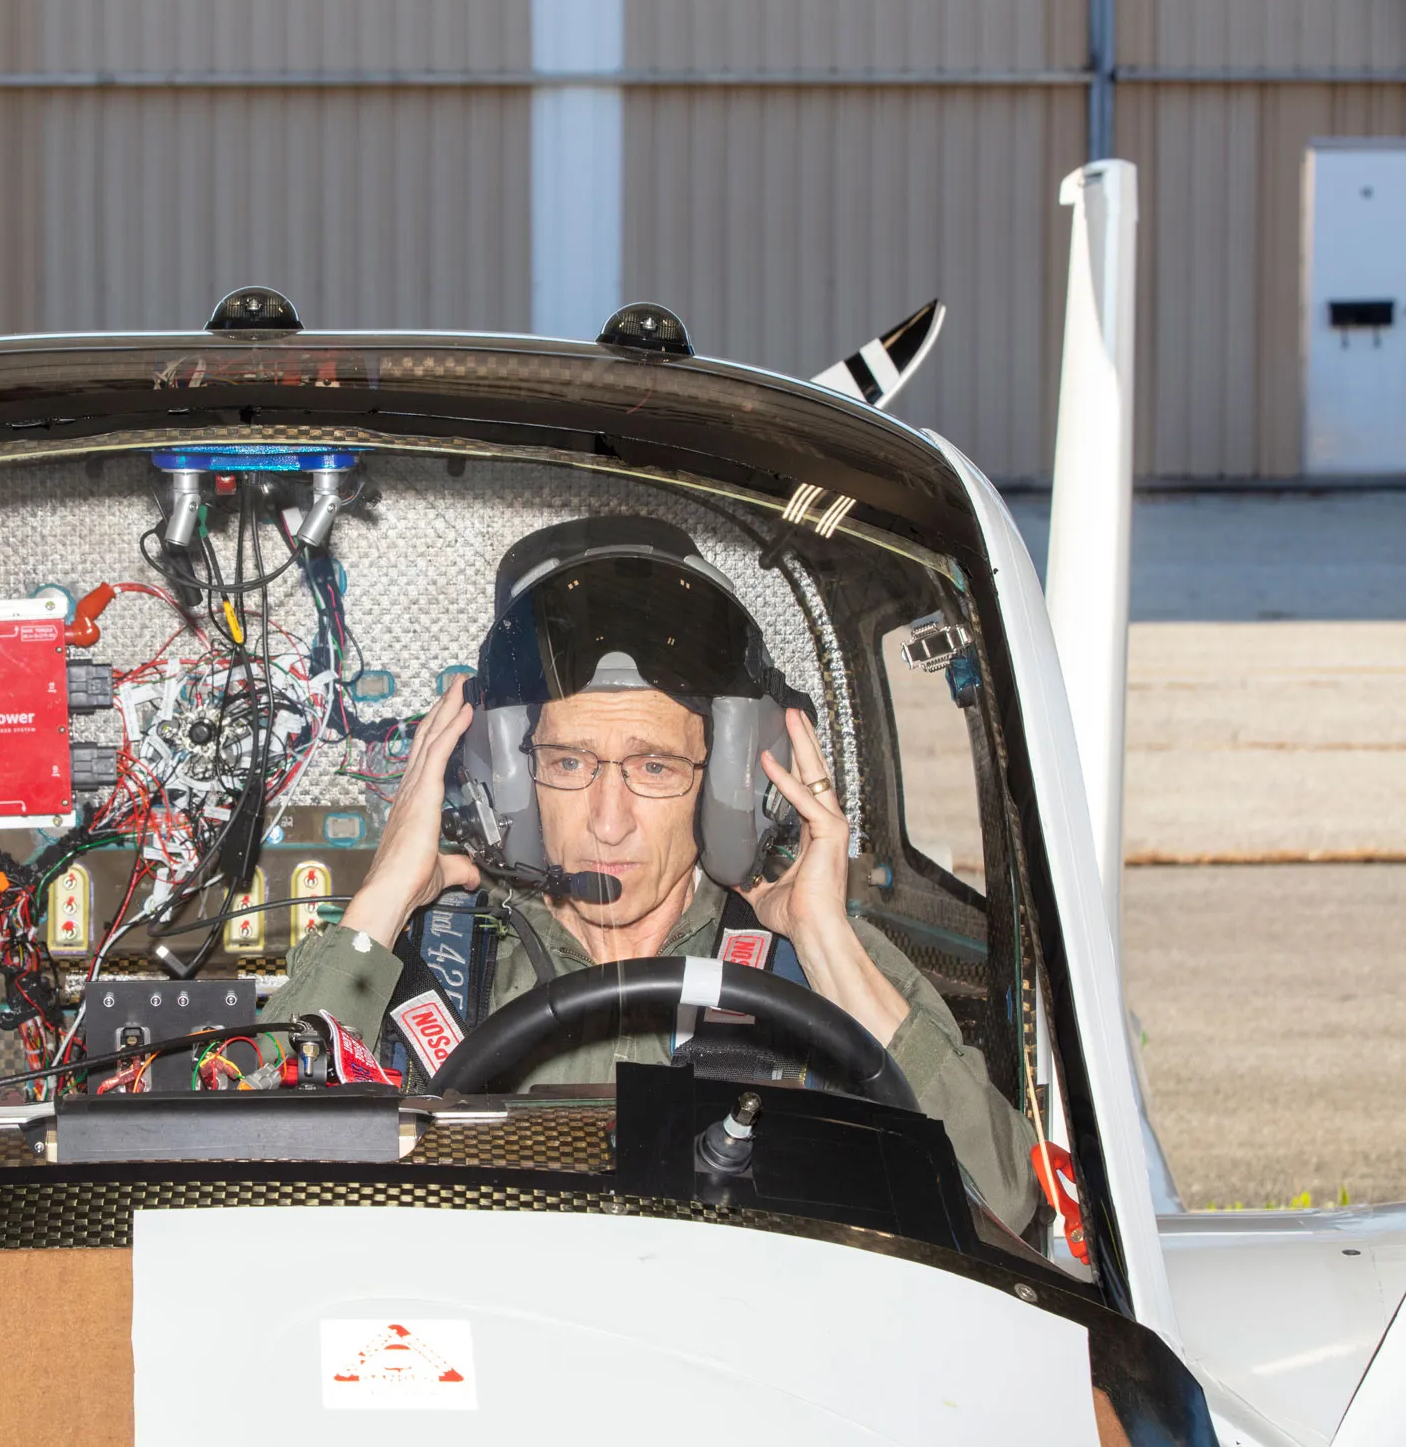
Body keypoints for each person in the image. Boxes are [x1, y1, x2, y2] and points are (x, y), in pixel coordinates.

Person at [266, 518, 1040, 1232]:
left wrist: (828, 945)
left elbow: (1005, 1199)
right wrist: (380, 900)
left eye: (654, 765)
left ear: (731, 782)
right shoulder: (422, 966)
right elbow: (239, 1172)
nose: (608, 820)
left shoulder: (812, 961)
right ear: (508, 778)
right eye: (568, 762)